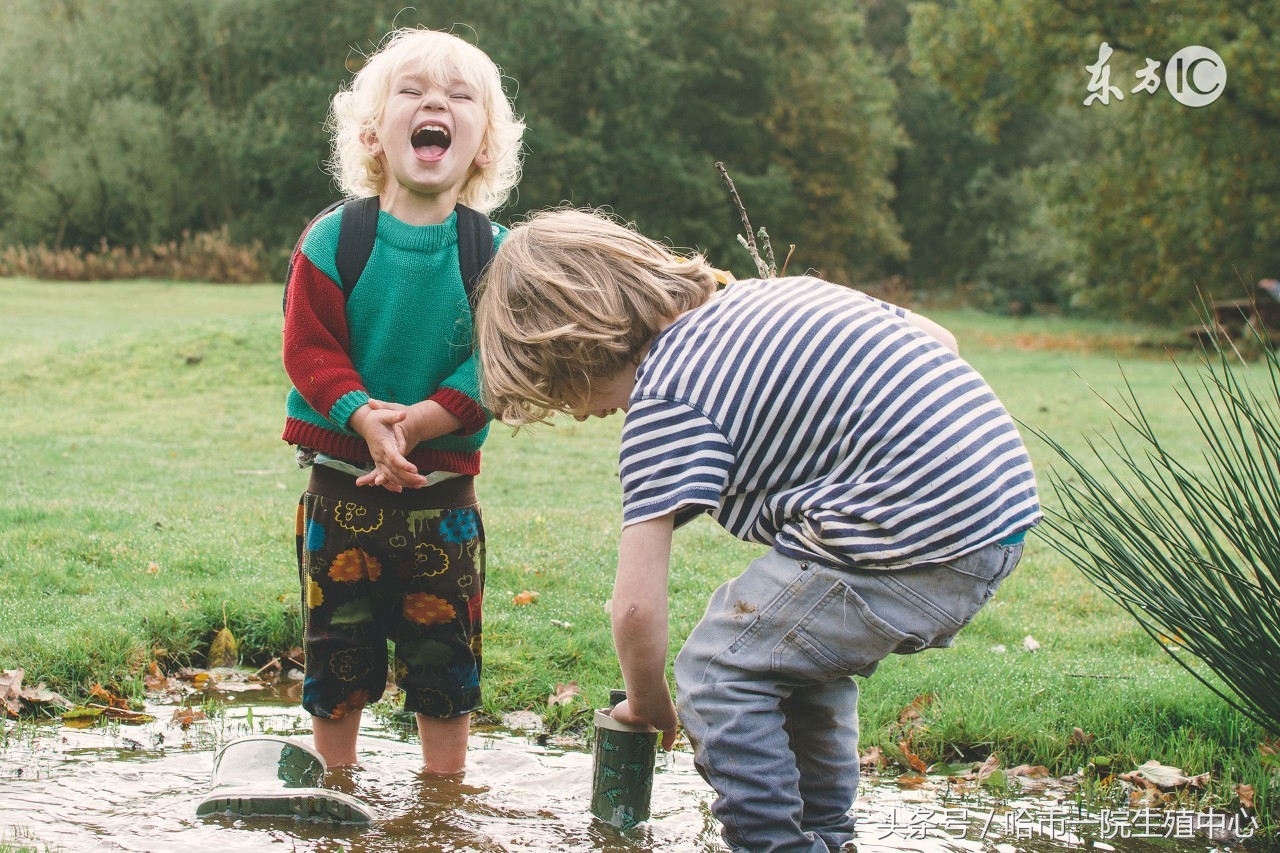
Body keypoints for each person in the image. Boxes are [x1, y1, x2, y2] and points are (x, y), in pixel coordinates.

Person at [475, 208, 1041, 851]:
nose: (581, 417)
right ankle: (825, 834)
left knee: (719, 669)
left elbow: (634, 607)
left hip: (915, 533)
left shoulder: (665, 400)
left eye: (560, 396)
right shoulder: (773, 294)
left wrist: (649, 703)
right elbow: (941, 343)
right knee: (792, 662)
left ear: (568, 356)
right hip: (998, 511)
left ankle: (773, 843)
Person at [282, 27, 524, 775]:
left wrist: (417, 424)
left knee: (445, 672)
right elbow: (310, 349)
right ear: (372, 132)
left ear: (483, 144)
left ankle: (440, 806)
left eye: (458, 97)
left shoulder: (495, 253)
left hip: (444, 504)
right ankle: (335, 789)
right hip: (340, 495)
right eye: (413, 92)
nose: (435, 104)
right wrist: (363, 415)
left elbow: (496, 363)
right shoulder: (334, 240)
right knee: (337, 660)